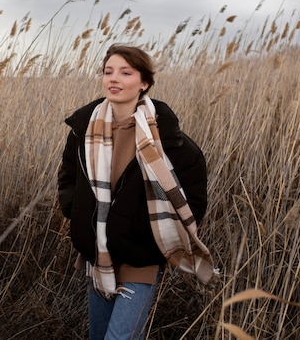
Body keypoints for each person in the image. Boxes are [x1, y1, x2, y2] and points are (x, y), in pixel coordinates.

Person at [58, 44, 214, 339]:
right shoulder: (84, 130)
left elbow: (193, 188)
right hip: (98, 251)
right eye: (108, 72)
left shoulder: (164, 135)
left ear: (144, 83)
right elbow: (67, 177)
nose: (113, 79)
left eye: (125, 72)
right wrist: (76, 213)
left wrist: (150, 232)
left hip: (140, 256)